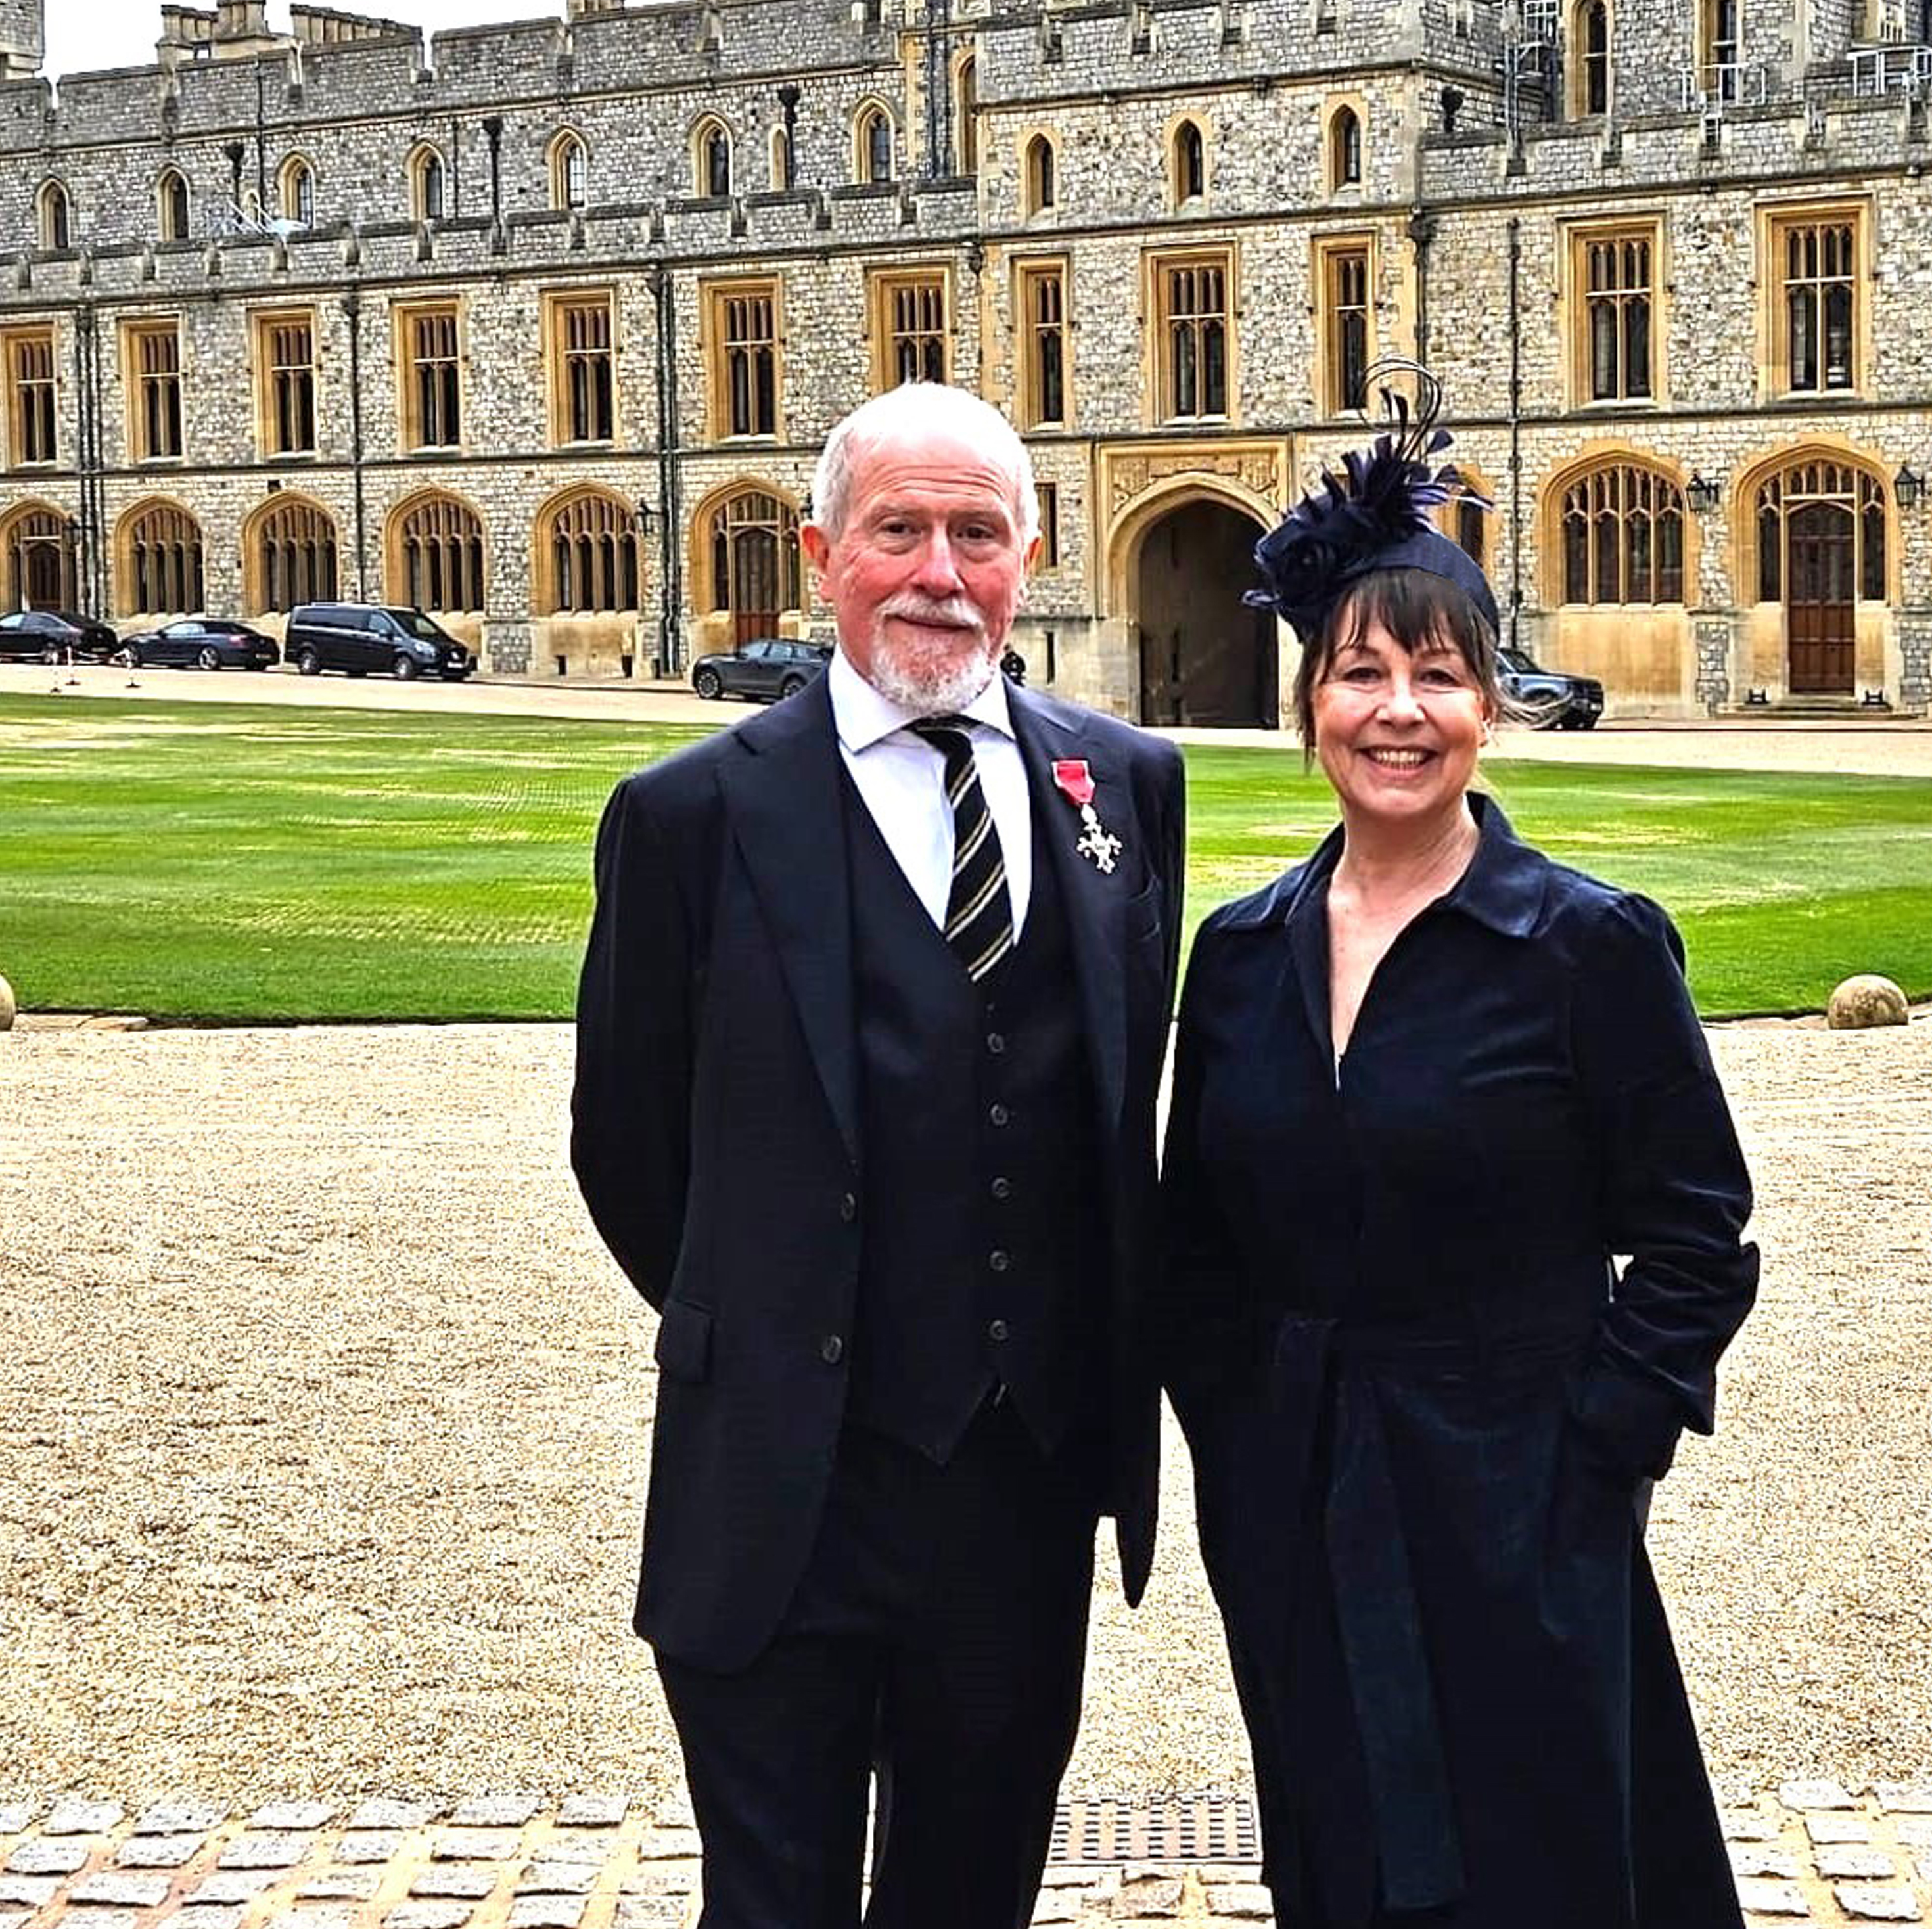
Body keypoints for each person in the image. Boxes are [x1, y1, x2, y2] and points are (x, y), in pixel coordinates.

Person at [571, 380, 1186, 1929]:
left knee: (971, 1892)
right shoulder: (690, 814)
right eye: (899, 528)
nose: (938, 570)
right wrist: (779, 1320)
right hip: (784, 1479)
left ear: (1029, 554)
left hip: (1022, 1479)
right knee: (774, 1901)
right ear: (821, 549)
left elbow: (1118, 1099)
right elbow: (624, 1143)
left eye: (976, 532)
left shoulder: (1124, 786)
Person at [1159, 376, 1760, 1929]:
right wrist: (1237, 1434)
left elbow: (1701, 1233)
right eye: (1362, 674)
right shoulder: (1237, 954)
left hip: (1519, 1491)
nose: (1399, 709)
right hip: (1298, 1487)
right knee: (1339, 1847)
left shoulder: (1587, 947)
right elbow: (1194, 1241)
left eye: (1439, 674)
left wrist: (1594, 1452)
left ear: (1490, 706)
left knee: (1541, 1857)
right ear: (1312, 708)